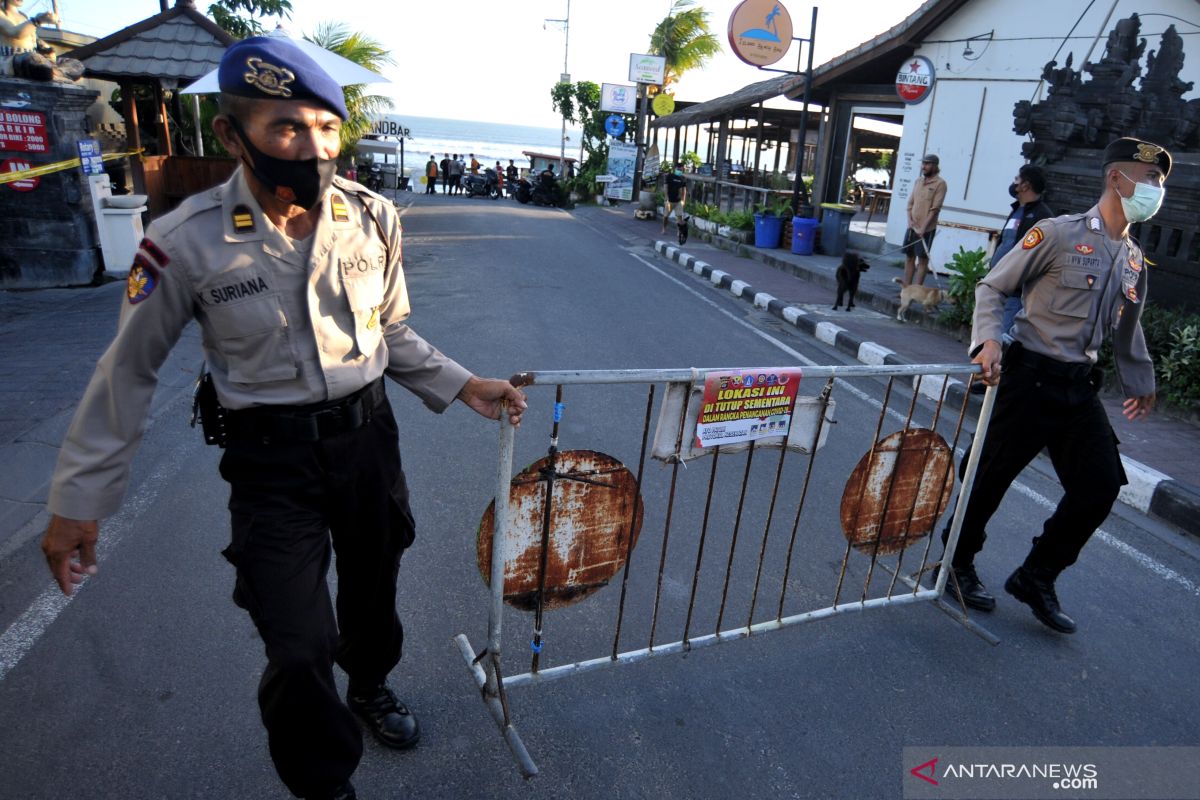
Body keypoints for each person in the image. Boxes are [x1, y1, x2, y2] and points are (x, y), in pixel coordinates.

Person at [40, 37, 527, 800]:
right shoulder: (180, 243)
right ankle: (324, 783)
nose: (315, 146)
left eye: (326, 126)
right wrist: (78, 500)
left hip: (368, 443)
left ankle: (370, 685)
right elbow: (126, 374)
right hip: (271, 466)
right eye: (288, 129)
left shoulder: (372, 218)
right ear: (235, 136)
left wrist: (463, 383)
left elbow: (390, 332)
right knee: (298, 646)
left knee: (374, 593)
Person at [939, 137, 1167, 635]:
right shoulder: (1057, 234)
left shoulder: (1131, 258)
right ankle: (955, 564)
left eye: (1161, 182)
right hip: (1029, 377)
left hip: (1076, 387)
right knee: (988, 478)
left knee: (1101, 485)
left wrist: (1140, 380)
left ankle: (1036, 575)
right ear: (1116, 179)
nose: (1157, 189)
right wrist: (988, 343)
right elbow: (993, 286)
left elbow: (1130, 326)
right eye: (1150, 179)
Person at [992, 165, 1054, 343]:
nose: (1014, 184)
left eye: (1017, 180)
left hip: (1016, 294)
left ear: (1026, 185)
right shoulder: (1017, 210)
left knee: (1002, 343)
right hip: (997, 288)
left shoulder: (1042, 217)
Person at [902, 154, 947, 286]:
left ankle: (916, 291)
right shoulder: (918, 181)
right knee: (909, 257)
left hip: (927, 229)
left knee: (922, 260)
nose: (923, 166)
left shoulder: (940, 184)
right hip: (912, 227)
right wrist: (909, 221)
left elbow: (935, 209)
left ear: (934, 166)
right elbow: (910, 204)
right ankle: (906, 290)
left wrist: (923, 228)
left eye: (927, 164)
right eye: (923, 163)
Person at [661, 162, 688, 235]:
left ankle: (679, 231)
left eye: (681, 169)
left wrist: (683, 201)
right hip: (669, 200)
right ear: (675, 169)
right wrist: (666, 197)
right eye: (678, 169)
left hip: (678, 201)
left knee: (679, 216)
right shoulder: (669, 176)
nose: (679, 171)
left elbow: (684, 190)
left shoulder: (683, 178)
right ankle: (664, 229)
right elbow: (665, 187)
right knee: (666, 216)